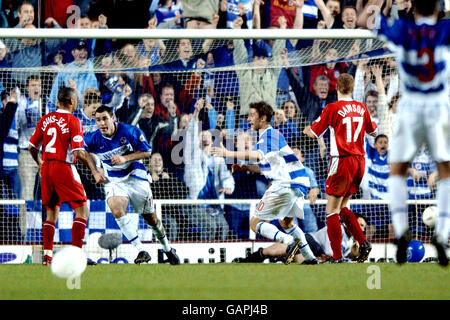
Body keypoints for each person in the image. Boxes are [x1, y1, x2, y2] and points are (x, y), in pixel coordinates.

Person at [358, 0, 449, 266]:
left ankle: (400, 232)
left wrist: (381, 3)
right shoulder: (445, 30)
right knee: (446, 171)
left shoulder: (402, 30)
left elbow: (365, 18)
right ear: (437, 9)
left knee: (396, 169)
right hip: (438, 107)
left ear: (413, 9)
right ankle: (442, 234)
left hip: (410, 108)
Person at [212, 101, 319, 265]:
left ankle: (288, 242)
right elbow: (265, 166)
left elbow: (256, 155)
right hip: (299, 183)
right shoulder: (273, 136)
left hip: (285, 184)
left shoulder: (268, 135)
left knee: (255, 223)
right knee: (287, 222)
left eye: (252, 115)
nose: (248, 119)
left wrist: (228, 153)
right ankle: (310, 258)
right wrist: (244, 167)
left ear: (262, 118)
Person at [83, 105, 180, 265]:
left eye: (105, 118)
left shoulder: (129, 131)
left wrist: (125, 158)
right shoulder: (93, 138)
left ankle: (168, 249)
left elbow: (147, 151)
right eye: (98, 120)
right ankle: (141, 249)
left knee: (151, 219)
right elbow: (82, 152)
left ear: (113, 118)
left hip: (136, 176)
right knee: (116, 209)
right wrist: (95, 170)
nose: (101, 123)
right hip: (114, 180)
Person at [303, 73, 378, 263]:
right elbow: (374, 131)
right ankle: (363, 241)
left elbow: (314, 133)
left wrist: (306, 130)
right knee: (343, 206)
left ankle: (336, 256)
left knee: (332, 211)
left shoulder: (333, 107)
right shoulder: (361, 107)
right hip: (360, 162)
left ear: (336, 88)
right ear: (352, 89)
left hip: (341, 160)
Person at [28, 86, 106, 266]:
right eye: (76, 99)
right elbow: (79, 152)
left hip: (47, 168)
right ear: (71, 101)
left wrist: (40, 163)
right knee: (82, 210)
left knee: (51, 213)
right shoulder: (73, 120)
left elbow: (32, 147)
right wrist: (95, 170)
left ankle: (47, 257)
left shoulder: (45, 119)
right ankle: (76, 256)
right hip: (64, 167)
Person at [183, 98, 235, 240]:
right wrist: (196, 112)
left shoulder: (218, 159)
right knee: (210, 226)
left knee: (223, 227)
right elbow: (191, 136)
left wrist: (227, 186)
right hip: (195, 205)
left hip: (214, 206)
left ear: (213, 142)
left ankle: (220, 261)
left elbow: (226, 176)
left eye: (207, 137)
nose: (204, 138)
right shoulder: (193, 156)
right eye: (201, 136)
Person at [235, 213, 368, 263]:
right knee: (269, 252)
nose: (361, 229)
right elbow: (330, 253)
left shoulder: (351, 241)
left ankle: (282, 260)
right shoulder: (337, 229)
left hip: (317, 253)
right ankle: (245, 261)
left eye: (363, 226)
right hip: (310, 242)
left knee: (303, 265)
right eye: (359, 224)